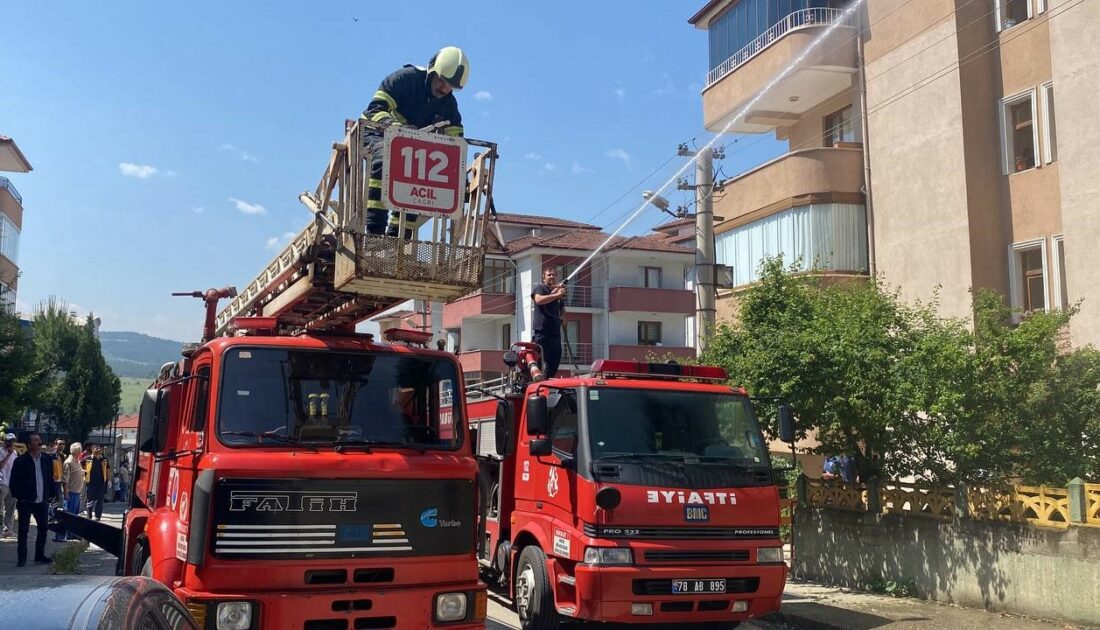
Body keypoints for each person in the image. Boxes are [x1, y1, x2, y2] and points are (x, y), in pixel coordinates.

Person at [361, 46, 469, 238]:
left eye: (450, 86)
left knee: (420, 178)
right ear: (432, 70)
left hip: (412, 148)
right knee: (383, 161)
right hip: (377, 134)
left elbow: (456, 137)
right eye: (442, 81)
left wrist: (460, 173)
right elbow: (374, 110)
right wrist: (395, 128)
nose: (444, 89)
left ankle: (398, 238)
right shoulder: (405, 79)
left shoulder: (449, 104)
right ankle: (374, 234)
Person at [8, 433, 58, 566]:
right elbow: (14, 481)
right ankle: (22, 558)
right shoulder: (20, 461)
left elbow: (49, 478)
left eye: (40, 440)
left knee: (43, 528)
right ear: (29, 445)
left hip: (42, 501)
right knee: (23, 530)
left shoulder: (46, 459)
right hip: (26, 502)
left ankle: (39, 555)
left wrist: (52, 494)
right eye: (36, 440)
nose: (40, 442)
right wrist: (19, 497)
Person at [531, 266, 567, 379]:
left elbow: (562, 308)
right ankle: (535, 381)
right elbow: (538, 300)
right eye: (549, 275)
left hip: (555, 334)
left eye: (554, 275)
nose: (552, 276)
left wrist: (563, 317)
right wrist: (556, 295)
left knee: (554, 362)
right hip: (542, 333)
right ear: (544, 277)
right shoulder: (540, 288)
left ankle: (545, 380)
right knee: (539, 361)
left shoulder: (557, 293)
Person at [83, 445, 110, 521]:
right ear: (92, 450)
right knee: (90, 500)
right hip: (90, 483)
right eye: (96, 448)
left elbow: (107, 470)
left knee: (100, 500)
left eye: (99, 448)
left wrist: (109, 480)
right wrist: (83, 474)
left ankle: (98, 516)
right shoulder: (87, 459)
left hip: (101, 483)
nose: (98, 449)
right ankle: (89, 515)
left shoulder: (104, 459)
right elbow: (80, 465)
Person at [63, 442, 84, 540]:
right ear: (77, 452)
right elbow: (65, 479)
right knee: (70, 514)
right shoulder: (69, 462)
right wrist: (66, 492)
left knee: (75, 515)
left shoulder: (77, 461)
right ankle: (68, 533)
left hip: (77, 491)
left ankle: (73, 533)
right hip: (71, 492)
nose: (81, 453)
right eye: (80, 451)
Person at [49, 439, 67, 541]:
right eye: (60, 444)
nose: (62, 446)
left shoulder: (63, 456)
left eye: (63, 444)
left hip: (61, 483)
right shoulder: (52, 456)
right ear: (55, 445)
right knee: (55, 507)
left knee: (59, 507)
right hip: (54, 483)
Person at [0, 433, 17, 538]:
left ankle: (8, 529)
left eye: (12, 441)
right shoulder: (1, 451)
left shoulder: (15, 452)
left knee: (11, 508)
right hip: (2, 482)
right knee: (0, 508)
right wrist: (8, 454)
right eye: (9, 441)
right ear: (5, 441)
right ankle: (1, 529)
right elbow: (1, 465)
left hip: (12, 483)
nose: (11, 443)